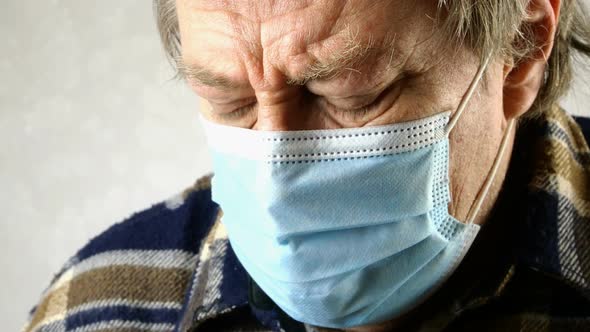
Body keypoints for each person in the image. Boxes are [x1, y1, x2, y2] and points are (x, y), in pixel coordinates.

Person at [23, 0, 590, 331]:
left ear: (519, 48)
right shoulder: (95, 309)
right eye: (230, 100)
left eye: (351, 95)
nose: (276, 177)